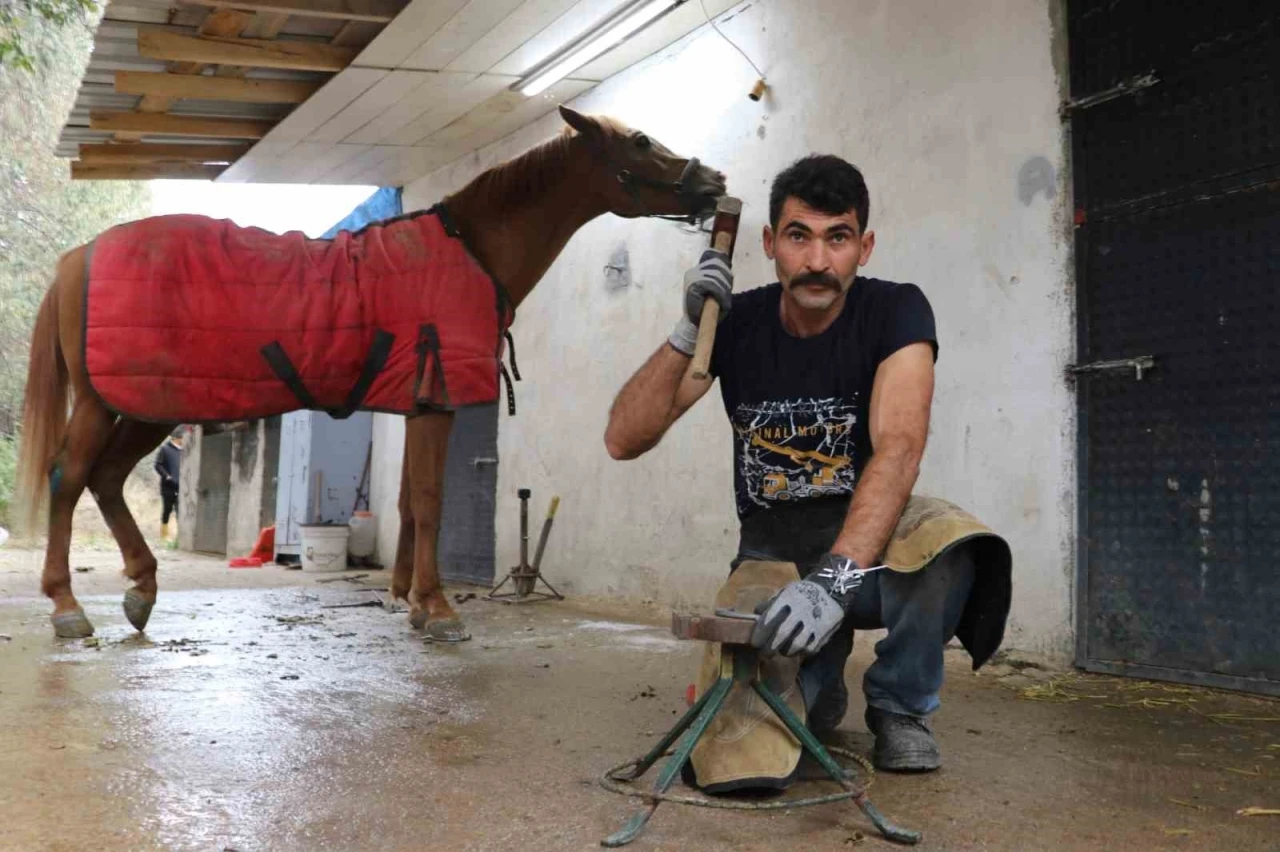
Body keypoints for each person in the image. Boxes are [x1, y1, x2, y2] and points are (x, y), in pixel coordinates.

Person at [604, 155, 997, 772]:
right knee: (743, 761)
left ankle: (900, 707)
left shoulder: (895, 311)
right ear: (769, 243)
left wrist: (834, 582)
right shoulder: (735, 323)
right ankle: (818, 684)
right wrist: (686, 330)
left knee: (948, 544)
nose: (817, 261)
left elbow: (899, 448)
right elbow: (624, 438)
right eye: (798, 236)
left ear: (864, 246)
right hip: (772, 559)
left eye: (837, 238)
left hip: (866, 556)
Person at [154, 427, 183, 542]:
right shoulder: (165, 449)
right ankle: (164, 534)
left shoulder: (185, 451)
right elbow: (158, 465)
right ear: (176, 438)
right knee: (167, 509)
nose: (183, 440)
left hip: (181, 487)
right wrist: (167, 476)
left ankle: (180, 536)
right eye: (182, 438)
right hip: (168, 486)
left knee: (181, 511)